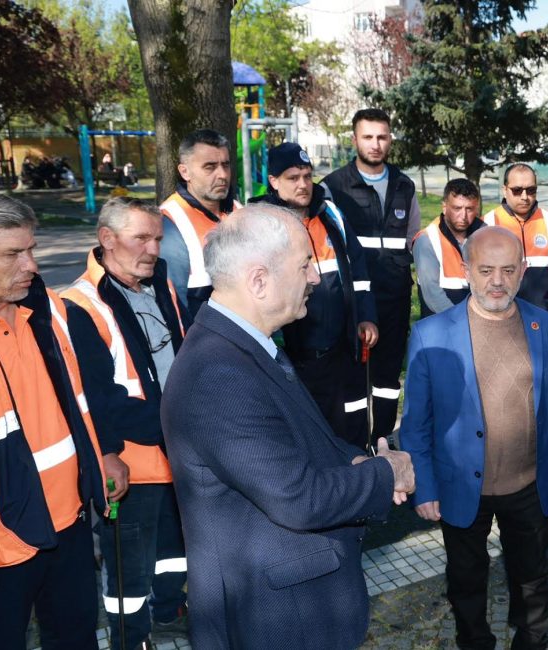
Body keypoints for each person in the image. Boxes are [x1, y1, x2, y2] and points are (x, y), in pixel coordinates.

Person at [160, 203, 415, 649]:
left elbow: (300, 437)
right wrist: (384, 473)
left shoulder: (245, 345)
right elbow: (298, 497)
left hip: (294, 606)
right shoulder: (218, 374)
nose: (315, 276)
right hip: (276, 618)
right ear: (259, 281)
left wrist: (353, 461)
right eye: (304, 264)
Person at [399, 226, 548, 650]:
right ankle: (474, 641)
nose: (497, 281)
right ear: (466, 270)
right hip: (459, 484)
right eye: (486, 270)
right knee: (465, 578)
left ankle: (532, 640)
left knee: (532, 577)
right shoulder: (431, 334)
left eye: (508, 270)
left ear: (523, 271)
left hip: (529, 484)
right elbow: (416, 424)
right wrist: (424, 487)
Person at [0, 192, 115, 649]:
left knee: (76, 638)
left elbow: (85, 398)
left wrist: (104, 457)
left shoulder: (47, 309)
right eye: (13, 254)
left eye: (31, 249)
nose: (31, 265)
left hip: (69, 526)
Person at [61, 197, 189, 649]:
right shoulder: (80, 305)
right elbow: (97, 399)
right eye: (141, 238)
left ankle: (169, 612)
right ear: (107, 239)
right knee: (128, 570)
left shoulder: (160, 282)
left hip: (176, 453)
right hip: (132, 467)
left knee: (175, 553)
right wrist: (112, 453)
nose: (153, 249)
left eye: (157, 238)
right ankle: (130, 640)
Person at [254, 142, 379, 448]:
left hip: (344, 347)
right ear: (273, 181)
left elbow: (359, 269)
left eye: (307, 176)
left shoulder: (330, 212)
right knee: (309, 433)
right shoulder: (261, 222)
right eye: (293, 178)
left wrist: (366, 317)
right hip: (295, 356)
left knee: (352, 422)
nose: (303, 184)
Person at [322, 108, 421, 444]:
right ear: (354, 140)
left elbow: (412, 239)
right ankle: (352, 448)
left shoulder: (405, 186)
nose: (375, 144)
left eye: (382, 137)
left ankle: (383, 443)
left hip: (395, 299)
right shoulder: (334, 187)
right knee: (352, 380)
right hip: (351, 301)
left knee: (388, 381)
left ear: (390, 139)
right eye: (368, 137)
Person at [159, 129, 242, 320]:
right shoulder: (169, 220)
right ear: (185, 172)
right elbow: (173, 306)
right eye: (210, 167)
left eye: (226, 165)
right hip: (201, 333)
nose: (222, 175)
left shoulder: (238, 210)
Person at [482, 164, 548, 311]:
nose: (525, 197)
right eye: (517, 190)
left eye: (531, 190)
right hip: (500, 316)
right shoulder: (487, 224)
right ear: (504, 190)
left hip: (543, 313)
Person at [414, 178, 485, 317]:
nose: (463, 216)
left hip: (479, 320)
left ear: (476, 208)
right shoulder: (427, 240)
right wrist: (462, 321)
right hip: (441, 321)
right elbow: (433, 295)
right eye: (457, 208)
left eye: (469, 209)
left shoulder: (486, 234)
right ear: (444, 207)